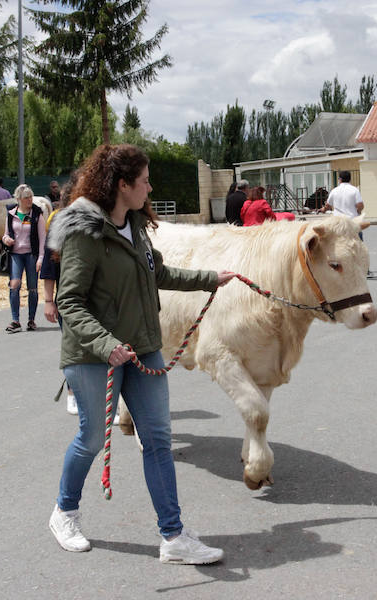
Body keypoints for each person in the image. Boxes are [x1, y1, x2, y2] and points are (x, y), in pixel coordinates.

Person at [45, 143, 233, 563]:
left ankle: (174, 537)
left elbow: (159, 273)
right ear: (122, 184)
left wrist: (210, 279)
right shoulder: (85, 233)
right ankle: (64, 512)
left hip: (142, 349)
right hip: (93, 354)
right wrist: (107, 345)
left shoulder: (136, 226)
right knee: (91, 438)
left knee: (158, 440)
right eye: (145, 180)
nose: (151, 187)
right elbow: (70, 301)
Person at [41, 173, 79, 414]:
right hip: (69, 299)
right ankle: (73, 393)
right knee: (73, 349)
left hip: (98, 299)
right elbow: (49, 266)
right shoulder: (59, 222)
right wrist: (48, 301)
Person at [2, 184, 45, 333]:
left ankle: (31, 320)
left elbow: (42, 238)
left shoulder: (37, 214)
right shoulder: (11, 214)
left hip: (31, 255)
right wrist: (6, 239)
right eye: (26, 197)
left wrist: (41, 258)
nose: (29, 200)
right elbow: (5, 234)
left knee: (32, 287)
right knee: (14, 285)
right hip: (16, 254)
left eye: (31, 197)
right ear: (19, 199)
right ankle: (15, 320)